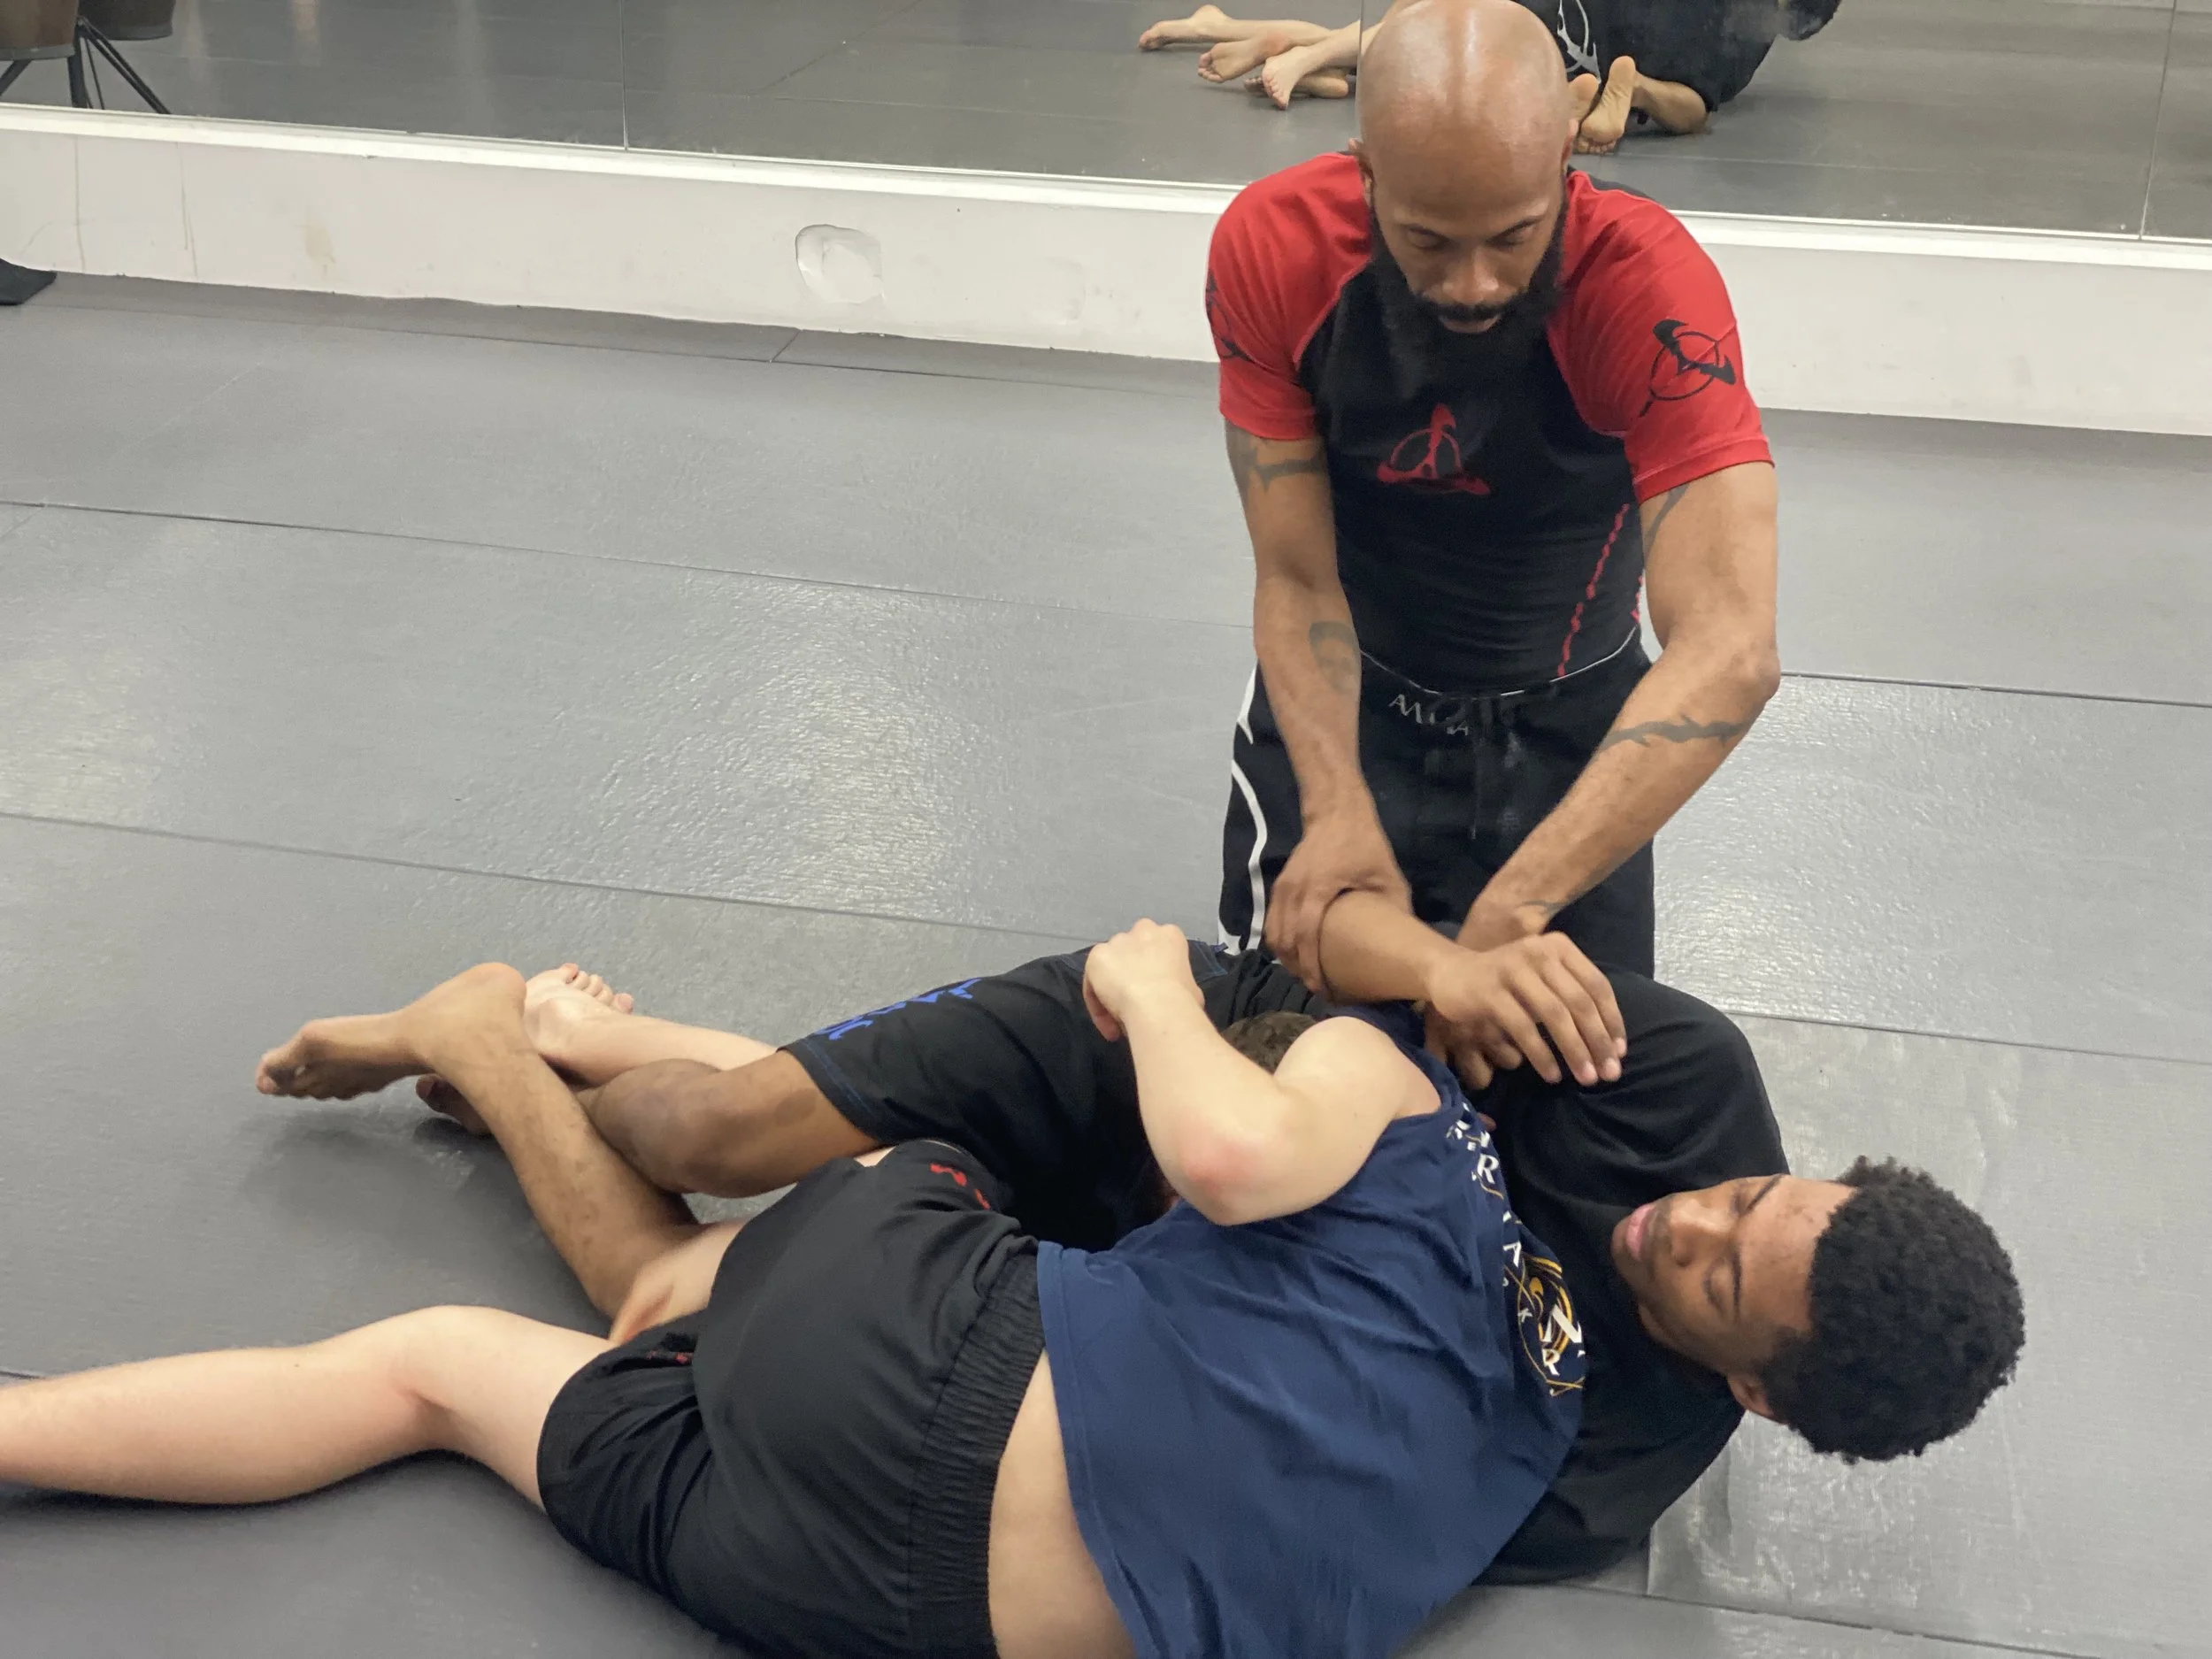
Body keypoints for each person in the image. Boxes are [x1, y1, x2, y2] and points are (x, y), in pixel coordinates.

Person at [455, 895, 2025, 1582]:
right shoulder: (1675, 1082)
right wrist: (1441, 976)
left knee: (767, 1252)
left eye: (1717, 1274)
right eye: (1755, 1196)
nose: (1690, 1220)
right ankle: (549, 1035)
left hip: (1143, 1293)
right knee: (701, 1146)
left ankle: (529, 1047)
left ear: (1754, 1391)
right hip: (1189, 1051)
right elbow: (1326, 943)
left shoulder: (1596, 1467)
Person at [1197, 0, 1786, 990]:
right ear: (1365, 166)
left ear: (1569, 150)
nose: (1472, 284)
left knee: (1571, 1100)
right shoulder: (1279, 247)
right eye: (1426, 241)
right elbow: (1293, 579)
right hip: (1348, 711)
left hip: (1568, 740)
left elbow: (1731, 649)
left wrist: (1516, 904)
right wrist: (1336, 808)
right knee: (1273, 1071)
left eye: (1513, 235)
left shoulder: (1644, 289)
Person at [1140, 0, 1842, 138]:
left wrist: (1631, 84)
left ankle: (1225, 27)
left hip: (1567, 57)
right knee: (1428, 29)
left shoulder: (1744, 36)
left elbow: (1696, 108)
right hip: (1552, 16)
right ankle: (1310, 60)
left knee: (1410, 42)